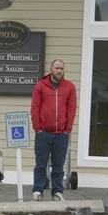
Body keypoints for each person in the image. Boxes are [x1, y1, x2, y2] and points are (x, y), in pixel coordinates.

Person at [30, 59, 77, 201]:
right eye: (57, 68)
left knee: (58, 165)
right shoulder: (40, 86)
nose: (59, 71)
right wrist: (38, 128)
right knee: (40, 164)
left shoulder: (69, 87)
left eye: (62, 68)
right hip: (43, 133)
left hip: (61, 134)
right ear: (51, 69)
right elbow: (35, 108)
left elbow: (71, 109)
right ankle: (37, 191)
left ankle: (57, 192)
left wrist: (67, 129)